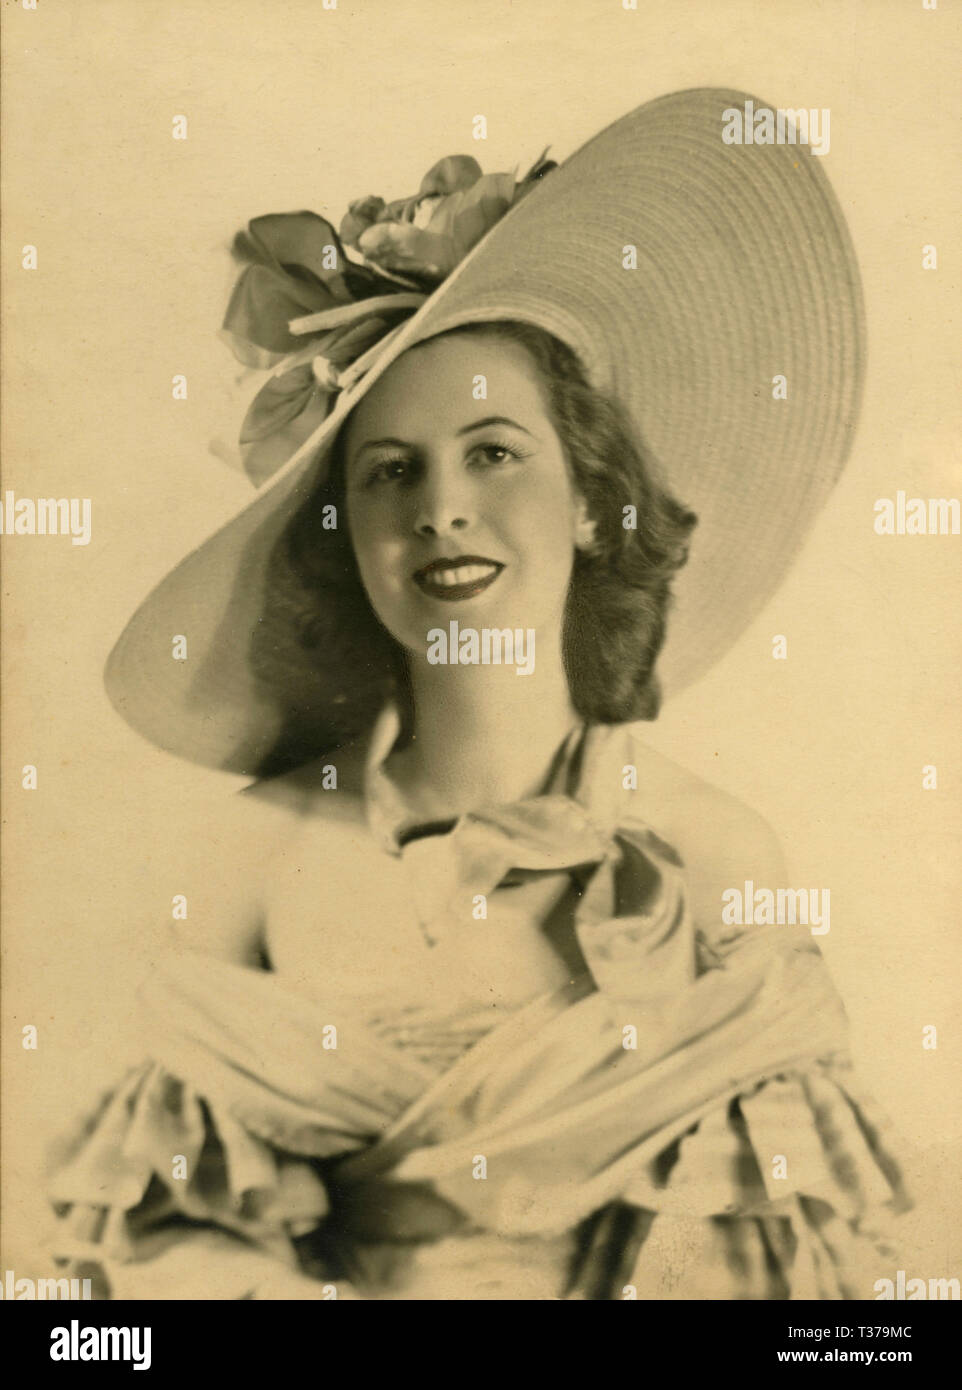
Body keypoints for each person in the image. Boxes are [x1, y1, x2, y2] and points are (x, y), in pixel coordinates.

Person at [46, 89, 910, 1300]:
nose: (439, 508)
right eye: (389, 472)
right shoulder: (251, 856)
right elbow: (127, 1293)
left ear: (589, 497)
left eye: (492, 452)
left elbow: (804, 1307)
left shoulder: (718, 854)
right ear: (343, 539)